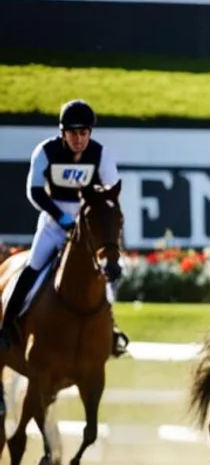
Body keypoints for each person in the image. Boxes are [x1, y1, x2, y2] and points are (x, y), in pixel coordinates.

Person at [1, 99, 129, 358]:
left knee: (106, 272)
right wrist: (60, 218)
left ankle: (110, 329)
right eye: (73, 133)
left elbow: (112, 194)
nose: (79, 139)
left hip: (87, 227)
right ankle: (6, 327)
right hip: (53, 223)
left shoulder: (100, 154)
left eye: (84, 133)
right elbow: (34, 191)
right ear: (63, 133)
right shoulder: (46, 151)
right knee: (32, 268)